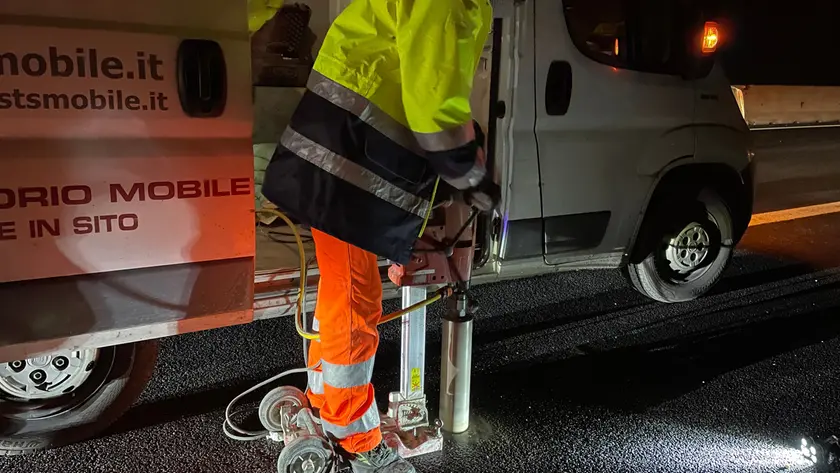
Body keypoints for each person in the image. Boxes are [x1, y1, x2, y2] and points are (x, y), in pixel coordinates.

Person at [261, 1, 498, 471]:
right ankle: (355, 435)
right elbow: (433, 106)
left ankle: (323, 398)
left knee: (339, 290)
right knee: (355, 297)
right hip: (347, 168)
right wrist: (471, 176)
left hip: (340, 160)